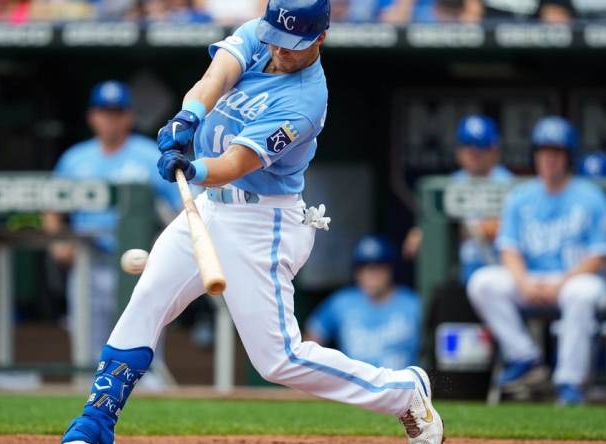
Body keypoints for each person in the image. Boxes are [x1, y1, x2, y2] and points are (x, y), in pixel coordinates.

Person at [60, 1, 444, 444]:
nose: (278, 50)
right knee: (146, 300)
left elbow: (237, 162)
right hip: (209, 207)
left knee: (278, 360)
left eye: (291, 45)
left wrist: (195, 168)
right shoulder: (261, 34)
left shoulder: (306, 100)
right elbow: (214, 78)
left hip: (263, 220)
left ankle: (401, 391)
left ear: (319, 38)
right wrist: (190, 116)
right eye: (275, 39)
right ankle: (94, 422)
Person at [467, 116, 606, 406]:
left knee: (582, 292)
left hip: (574, 280)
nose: (549, 159)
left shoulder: (591, 196)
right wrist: (523, 282)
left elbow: (600, 254)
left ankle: (569, 383)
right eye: (543, 152)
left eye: (556, 153)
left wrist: (563, 281)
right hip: (532, 280)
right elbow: (508, 248)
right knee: (483, 282)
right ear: (535, 156)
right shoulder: (520, 196)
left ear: (568, 157)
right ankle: (524, 356)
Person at [44, 80, 181, 363]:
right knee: (87, 347)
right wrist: (58, 243)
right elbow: (51, 206)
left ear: (129, 116)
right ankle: (93, 399)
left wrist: (164, 247)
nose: (111, 120)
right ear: (92, 116)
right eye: (104, 112)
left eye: (117, 112)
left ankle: (148, 396)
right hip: (88, 260)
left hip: (139, 261)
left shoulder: (148, 154)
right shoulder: (75, 158)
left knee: (144, 342)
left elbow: (182, 206)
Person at [403, 114, 512, 283]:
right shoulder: (450, 183)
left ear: (495, 149)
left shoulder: (508, 183)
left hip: (498, 273)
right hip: (458, 274)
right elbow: (420, 237)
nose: (473, 152)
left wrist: (454, 231)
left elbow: (504, 229)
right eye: (467, 145)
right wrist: (420, 235)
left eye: (481, 146)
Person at [306, 235, 422, 370]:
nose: (370, 275)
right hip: (355, 387)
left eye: (377, 267)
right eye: (363, 268)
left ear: (390, 269)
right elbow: (312, 337)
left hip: (401, 385)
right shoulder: (342, 302)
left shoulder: (413, 303)